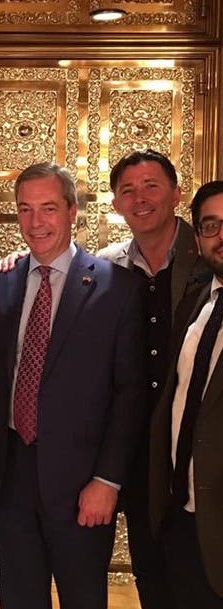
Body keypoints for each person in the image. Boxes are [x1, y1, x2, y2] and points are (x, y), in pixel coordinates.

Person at [0, 162, 146, 609]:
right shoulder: (0, 282)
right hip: (12, 477)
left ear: (72, 211)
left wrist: (107, 480)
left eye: (49, 208)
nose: (36, 222)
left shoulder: (117, 287)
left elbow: (130, 393)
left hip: (82, 484)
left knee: (83, 599)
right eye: (25, 209)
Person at [98, 149, 207, 609]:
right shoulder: (106, 269)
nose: (140, 198)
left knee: (200, 575)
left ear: (177, 194)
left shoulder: (208, 256)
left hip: (198, 449)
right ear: (116, 203)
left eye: (151, 186)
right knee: (152, 572)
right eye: (128, 191)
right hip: (138, 451)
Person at [150, 180, 223, 608]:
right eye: (210, 226)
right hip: (182, 518)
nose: (221, 235)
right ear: (198, 239)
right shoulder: (198, 303)